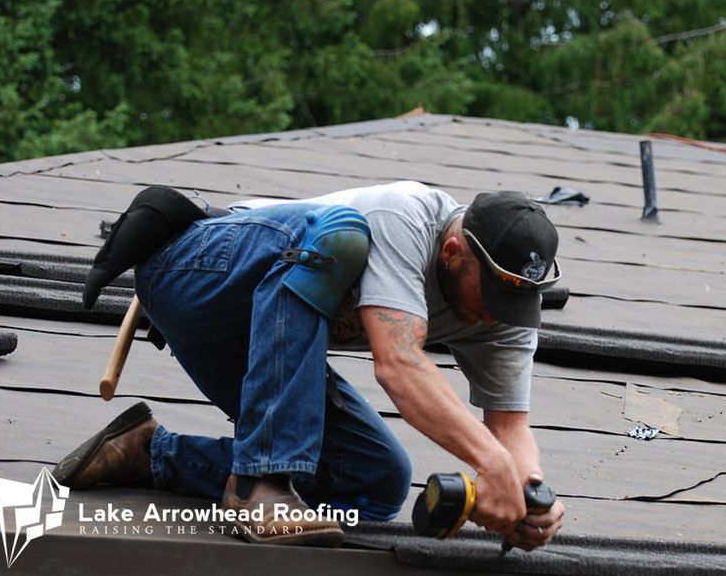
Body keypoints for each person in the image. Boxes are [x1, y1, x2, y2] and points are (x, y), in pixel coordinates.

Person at [54, 181, 566, 549]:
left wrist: (528, 496)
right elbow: (400, 364)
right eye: (493, 295)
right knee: (340, 234)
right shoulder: (405, 217)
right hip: (193, 270)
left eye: (513, 304)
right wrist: (491, 465)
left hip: (257, 336)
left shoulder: (508, 311)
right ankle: (260, 482)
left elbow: (509, 427)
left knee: (376, 478)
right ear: (453, 252)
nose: (498, 316)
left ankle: (150, 453)